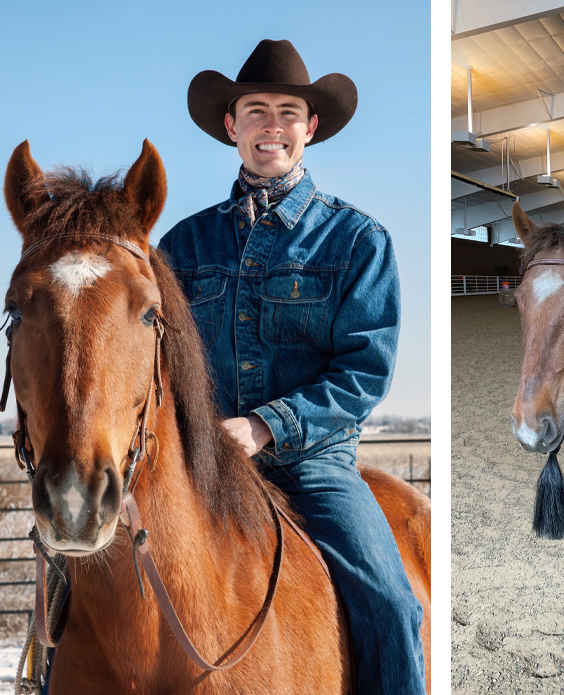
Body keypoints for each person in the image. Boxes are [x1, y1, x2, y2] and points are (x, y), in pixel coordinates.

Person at [157, 39, 425, 693]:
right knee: (78, 571)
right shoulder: (181, 246)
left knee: (391, 602)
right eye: (255, 111)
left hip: (313, 466)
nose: (270, 126)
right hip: (198, 466)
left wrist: (263, 426)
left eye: (286, 112)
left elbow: (364, 370)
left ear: (309, 128)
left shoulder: (358, 241)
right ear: (232, 125)